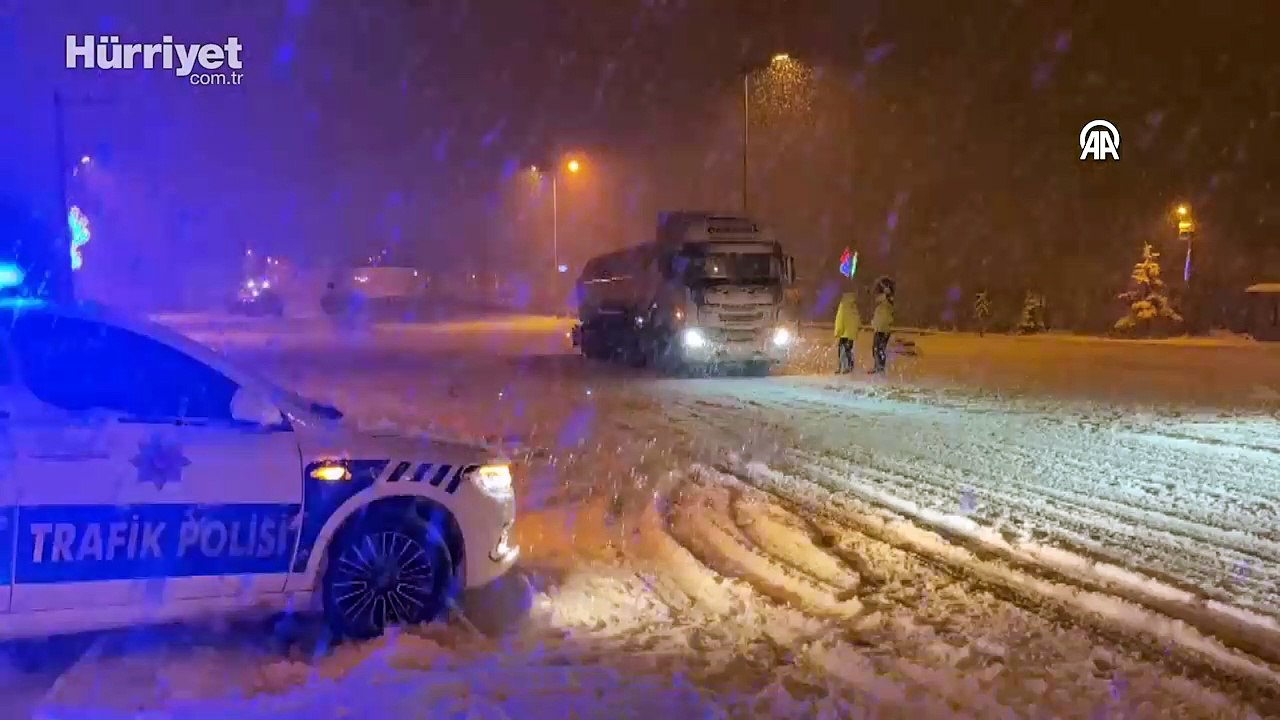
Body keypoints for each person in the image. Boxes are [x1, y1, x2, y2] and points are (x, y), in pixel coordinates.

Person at [869, 276, 895, 374]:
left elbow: (877, 298)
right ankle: (879, 367)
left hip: (882, 329)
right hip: (882, 328)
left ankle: (879, 367)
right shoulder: (887, 300)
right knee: (878, 349)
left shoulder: (886, 300)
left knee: (877, 348)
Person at [832, 285, 860, 374]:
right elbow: (854, 321)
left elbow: (840, 320)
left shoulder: (844, 306)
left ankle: (845, 366)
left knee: (844, 348)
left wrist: (838, 331)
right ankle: (845, 366)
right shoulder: (850, 307)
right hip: (847, 332)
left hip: (846, 331)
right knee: (846, 348)